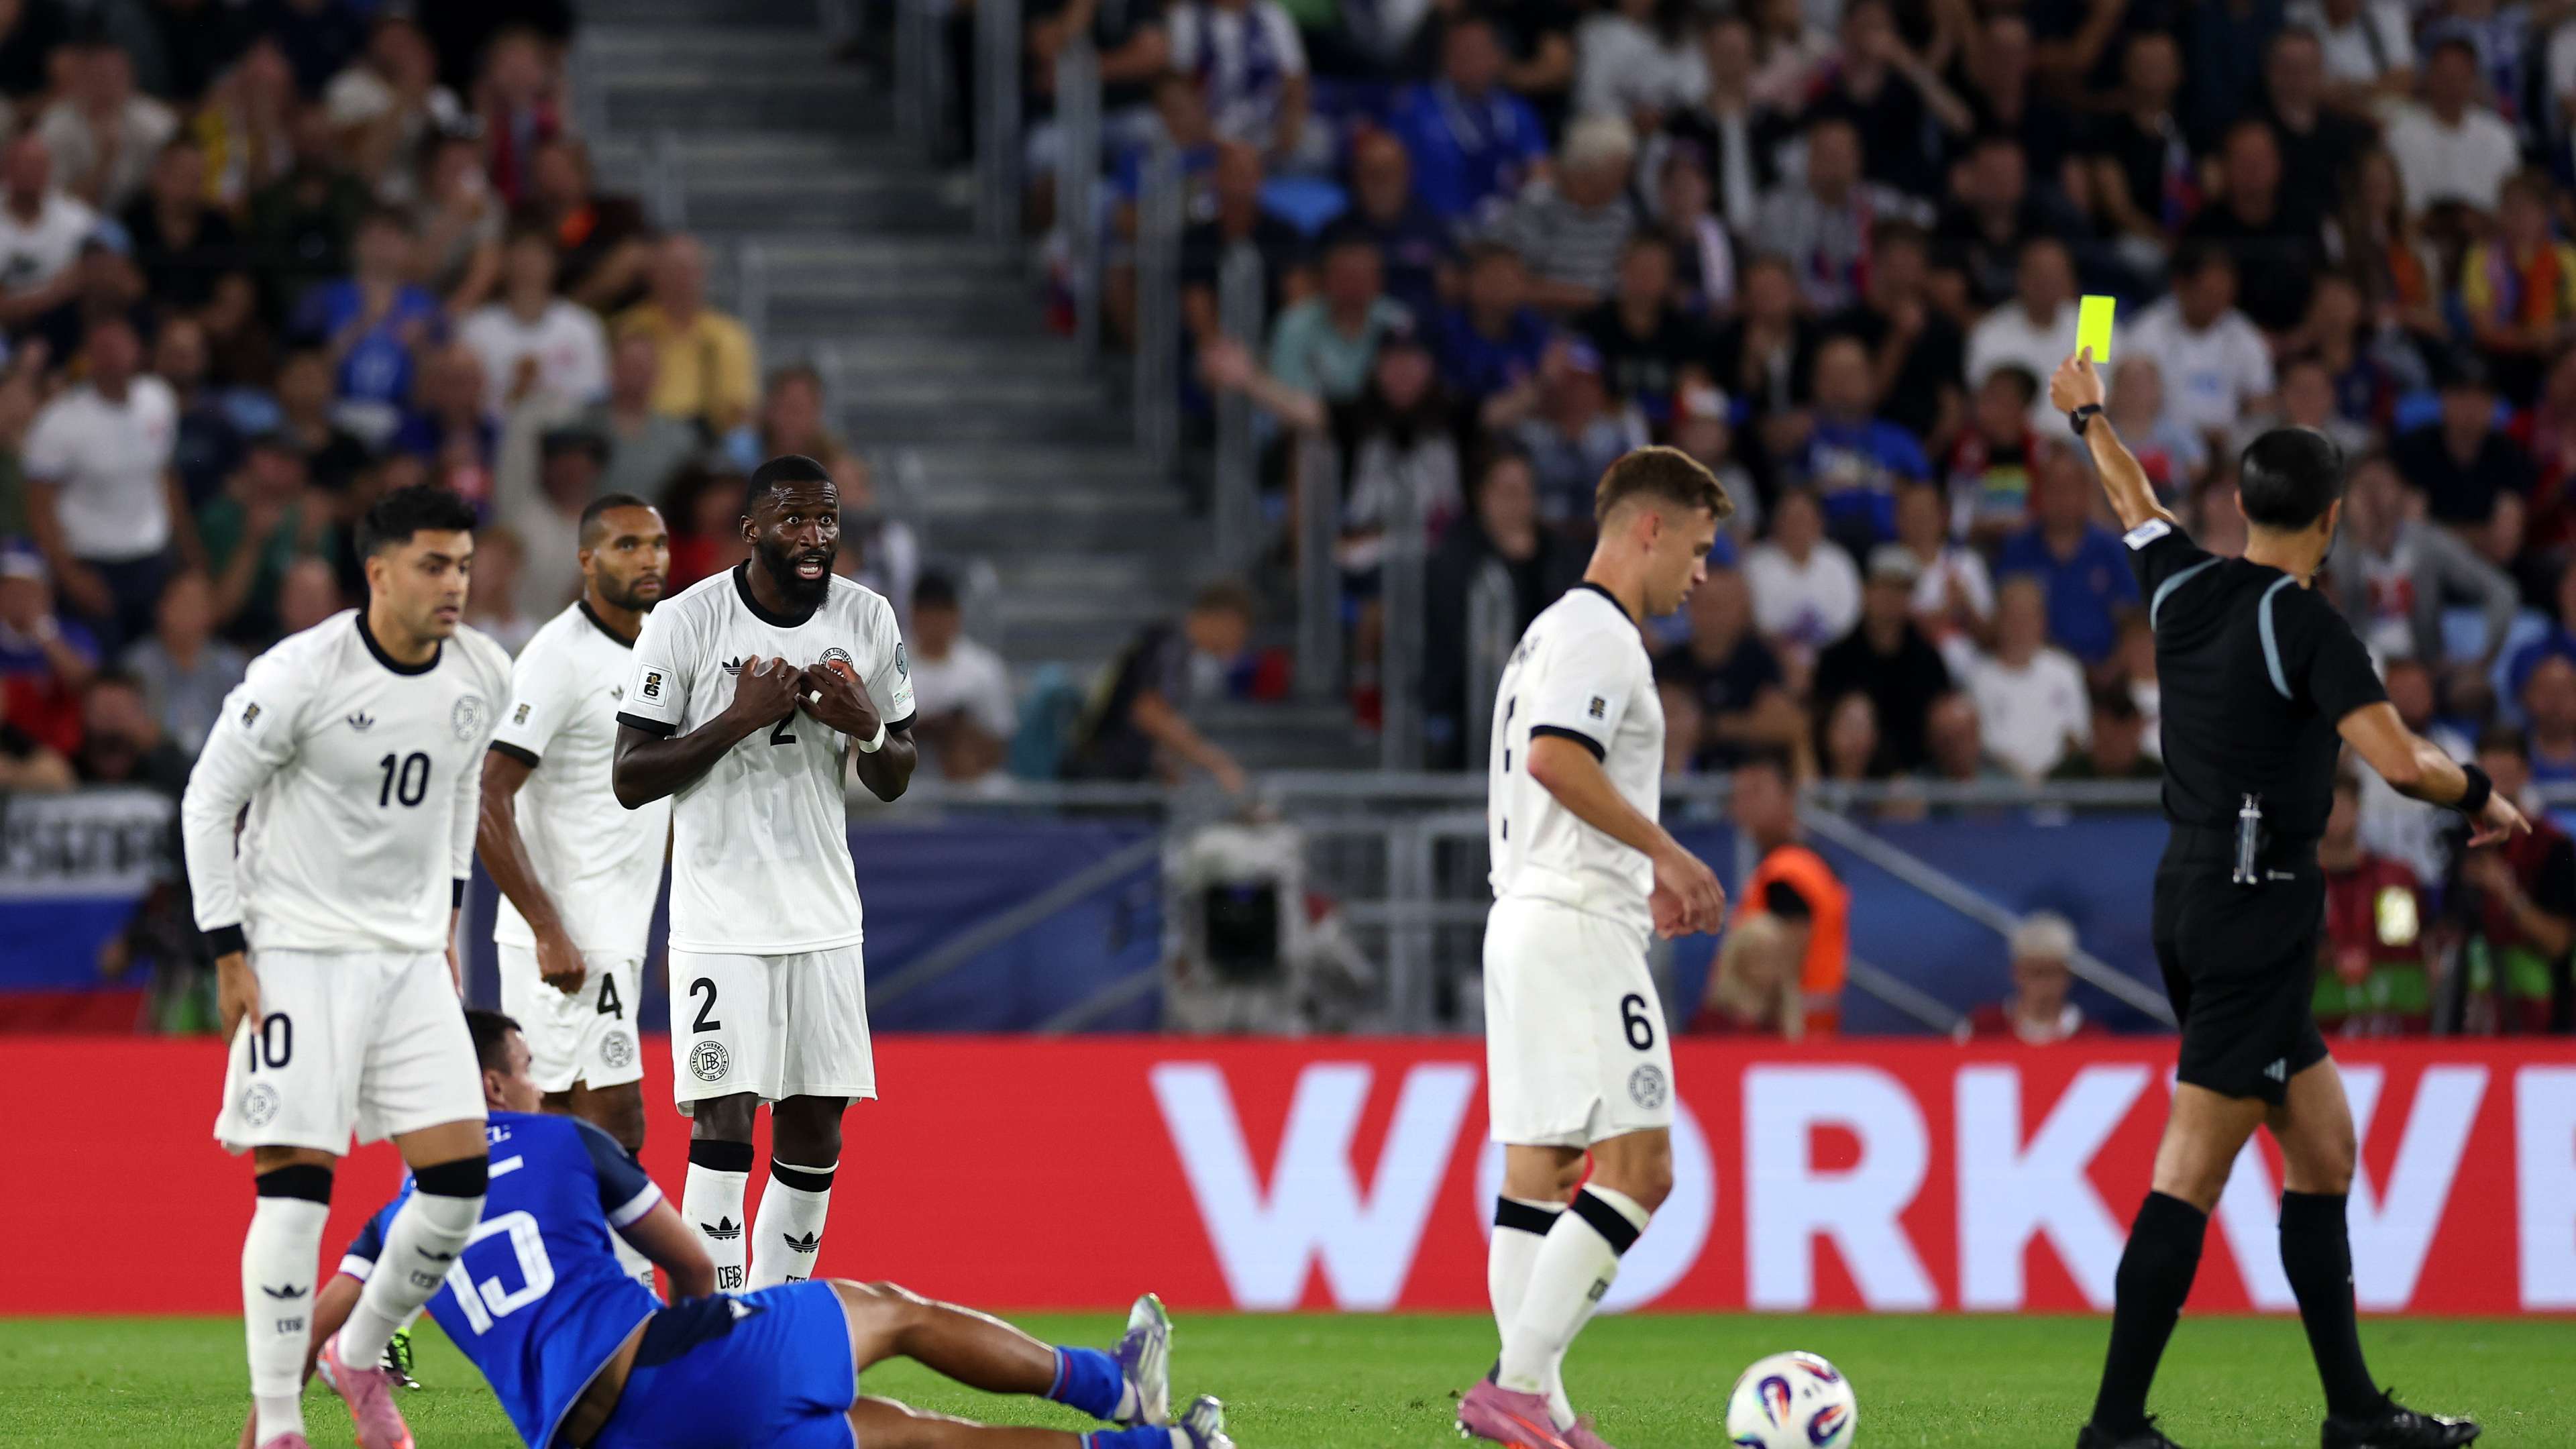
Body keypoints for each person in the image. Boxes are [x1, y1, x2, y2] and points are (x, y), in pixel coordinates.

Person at [2051, 344, 2512, 1449]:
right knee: (2192, 1166)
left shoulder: (2182, 584)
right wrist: (2485, 793)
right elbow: (2398, 762)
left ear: (2245, 506)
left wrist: (2089, 417)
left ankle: (2354, 1414)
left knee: (2323, 1145)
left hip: (2194, 893)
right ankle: (2113, 1428)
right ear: (2334, 518)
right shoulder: (2306, 625)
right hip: (2258, 907)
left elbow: (2133, 497)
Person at [254, 1010, 1232, 1449]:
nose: (543, 1078)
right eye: (528, 1063)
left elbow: (303, 1342)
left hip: (592, 1441)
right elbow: (687, 1262)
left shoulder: (393, 1220)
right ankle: (1119, 1390)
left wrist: (269, 1430)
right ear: (495, 1085)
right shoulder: (560, 1141)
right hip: (666, 1365)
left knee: (897, 1438)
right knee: (888, 1312)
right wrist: (721, 1345)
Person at [178, 483, 515, 1449]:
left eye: (462, 563)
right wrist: (228, 950)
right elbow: (208, 802)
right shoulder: (302, 673)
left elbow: (458, 800)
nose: (454, 583)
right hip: (298, 954)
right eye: (432, 564)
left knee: (457, 1190)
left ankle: (357, 1354)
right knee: (296, 1195)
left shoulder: (483, 673)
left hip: (408, 959)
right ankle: (281, 1427)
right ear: (378, 572)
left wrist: (447, 921)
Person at [1460, 446, 1730, 1449]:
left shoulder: (1546, 635)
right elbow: (1554, 758)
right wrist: (1664, 853)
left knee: (1540, 1172)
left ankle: (1548, 1415)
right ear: (1647, 529)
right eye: (1697, 550)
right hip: (1574, 921)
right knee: (1644, 1167)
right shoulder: (1602, 637)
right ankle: (1518, 1387)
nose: (1701, 575)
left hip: (1529, 914)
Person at [612, 454, 917, 1295]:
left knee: (818, 1130)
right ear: (750, 532)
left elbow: (898, 767)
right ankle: (717, 1327)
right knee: (724, 1118)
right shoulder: (686, 622)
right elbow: (630, 775)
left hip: (824, 918)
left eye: (826, 520)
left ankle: (777, 1320)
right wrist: (737, 717)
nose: (815, 538)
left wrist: (868, 731)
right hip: (721, 921)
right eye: (794, 521)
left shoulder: (868, 617)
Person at [477, 494, 674, 1291]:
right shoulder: (556, 657)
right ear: (587, 561)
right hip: (563, 941)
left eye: (658, 544)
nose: (650, 559)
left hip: (611, 934)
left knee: (557, 1128)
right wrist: (548, 927)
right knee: (601, 1121)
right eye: (628, 545)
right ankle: (625, 1302)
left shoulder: (664, 649)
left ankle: (577, 1295)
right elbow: (488, 796)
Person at [23, 315, 193, 653]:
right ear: (87, 357)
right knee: (106, 665)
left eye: (119, 347)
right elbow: (38, 506)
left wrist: (187, 552)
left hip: (152, 558)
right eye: (102, 350)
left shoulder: (159, 399)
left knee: (155, 661)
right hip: (92, 562)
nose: (112, 358)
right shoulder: (60, 421)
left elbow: (165, 476)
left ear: (138, 351)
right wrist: (69, 574)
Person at [1062, 580, 1255, 791]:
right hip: (1101, 777)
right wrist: (1217, 764)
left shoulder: (1175, 649)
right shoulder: (1169, 644)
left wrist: (1166, 766)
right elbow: (1148, 713)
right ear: (1226, 619)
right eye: (1239, 634)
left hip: (1121, 775)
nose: (1236, 649)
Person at [2447, 728, 2576, 1034]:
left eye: (2506, 775)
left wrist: (2509, 896)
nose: (2497, 792)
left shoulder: (2553, 847)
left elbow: (2559, 943)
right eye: (2488, 778)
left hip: (2542, 1023)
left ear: (2525, 774)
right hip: (2470, 1022)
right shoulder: (2460, 843)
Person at [1729, 745, 1851, 1027]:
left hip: (1789, 1032)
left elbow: (1782, 964)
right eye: (1740, 794)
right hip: (1813, 1026)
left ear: (1789, 796)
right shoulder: (1807, 861)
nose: (1745, 803)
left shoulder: (1787, 871)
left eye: (1757, 791)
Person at [2314, 771, 2434, 1036]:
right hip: (2319, 1030)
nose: (2334, 818)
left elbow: (2400, 942)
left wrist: (2360, 956)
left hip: (2390, 1026)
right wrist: (2328, 958)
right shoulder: (2296, 883)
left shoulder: (2392, 878)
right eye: (2326, 808)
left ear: (2358, 808)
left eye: (2342, 807)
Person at [1812, 545, 1951, 775]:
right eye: (1884, 588)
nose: (1891, 600)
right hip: (1850, 776)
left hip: (1915, 778)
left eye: (1900, 591)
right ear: (1867, 591)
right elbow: (1823, 728)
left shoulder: (1929, 660)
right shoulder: (1836, 659)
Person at [614, 233, 759, 437]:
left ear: (703, 274)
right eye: (671, 269)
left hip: (708, 441)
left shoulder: (730, 335)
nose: (680, 279)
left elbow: (741, 408)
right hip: (644, 436)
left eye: (687, 270)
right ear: (654, 274)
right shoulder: (630, 327)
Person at [461, 224, 610, 418]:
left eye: (538, 255)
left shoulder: (583, 327)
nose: (529, 264)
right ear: (505, 262)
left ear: (554, 262)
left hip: (565, 438)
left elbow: (593, 399)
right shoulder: (475, 329)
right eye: (521, 255)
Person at [1966, 574, 2093, 780]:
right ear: (1998, 619)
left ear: (2042, 620)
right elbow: (1982, 746)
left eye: (2028, 616)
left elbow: (2078, 737)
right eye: (2012, 616)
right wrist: (2021, 780)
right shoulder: (1979, 676)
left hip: (2060, 785)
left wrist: (2052, 778)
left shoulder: (2065, 670)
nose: (2020, 625)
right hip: (2001, 786)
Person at [121, 568, 248, 754]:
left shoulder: (233, 666)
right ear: (161, 607)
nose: (188, 611)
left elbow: (254, 716)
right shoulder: (136, 665)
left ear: (211, 612)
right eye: (181, 601)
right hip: (156, 764)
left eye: (197, 604)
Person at [906, 571, 1016, 784]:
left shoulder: (984, 668)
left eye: (941, 613)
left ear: (956, 615)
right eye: (927, 613)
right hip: (908, 781)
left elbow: (1000, 745)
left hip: (970, 777)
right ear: (913, 615)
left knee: (1001, 789)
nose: (934, 623)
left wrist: (960, 732)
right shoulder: (890, 665)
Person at [1963, 912, 2100, 1042]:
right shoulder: (1982, 1029)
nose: (2044, 984)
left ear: (2068, 975)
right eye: (2036, 973)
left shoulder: (2093, 1039)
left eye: (2053, 973)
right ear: (2017, 973)